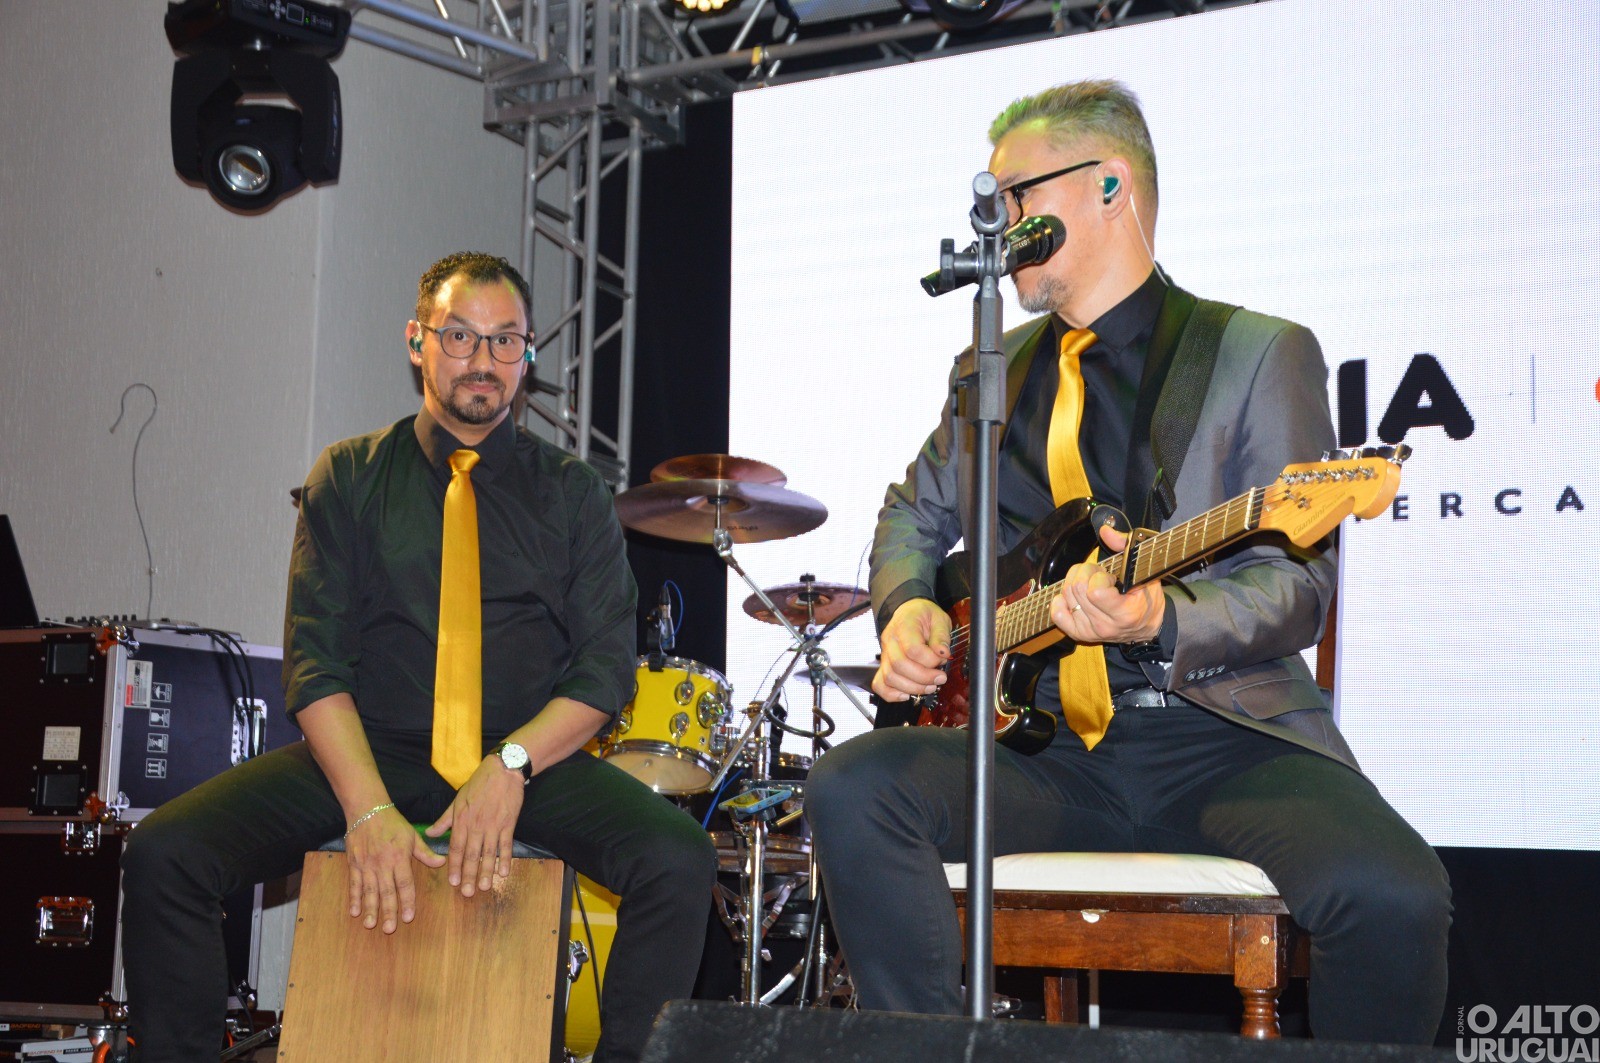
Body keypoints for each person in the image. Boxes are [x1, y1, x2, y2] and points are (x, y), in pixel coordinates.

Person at [805, 80, 1451, 1043]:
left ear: (1111, 187)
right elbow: (911, 513)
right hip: (1046, 752)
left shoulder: (1256, 353)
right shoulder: (993, 371)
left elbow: (1298, 588)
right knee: (851, 785)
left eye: (1016, 193)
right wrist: (906, 606)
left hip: (1221, 741)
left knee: (1395, 895)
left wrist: (1161, 617)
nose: (998, 218)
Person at [121, 251, 716, 1063]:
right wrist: (366, 810)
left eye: (507, 342)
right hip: (376, 750)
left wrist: (509, 766)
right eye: (461, 335)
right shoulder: (349, 476)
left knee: (679, 858)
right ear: (417, 341)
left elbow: (604, 669)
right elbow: (316, 664)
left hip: (523, 756)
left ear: (529, 354)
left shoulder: (573, 493)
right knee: (166, 854)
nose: (483, 360)